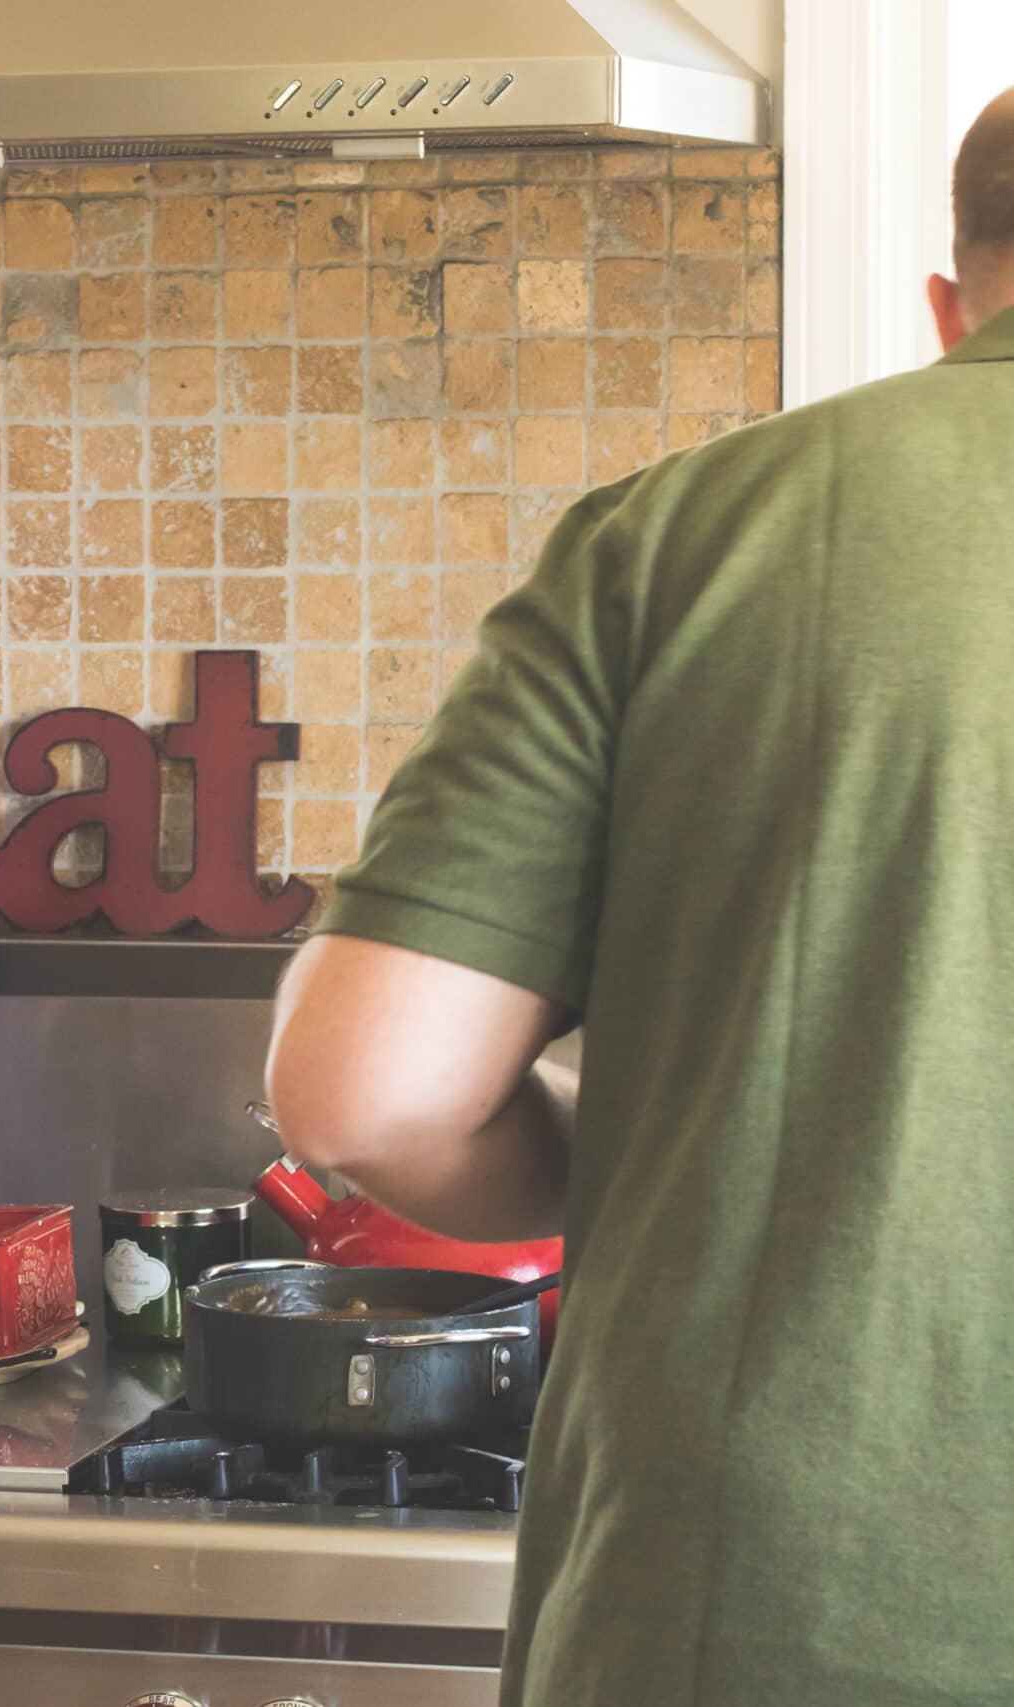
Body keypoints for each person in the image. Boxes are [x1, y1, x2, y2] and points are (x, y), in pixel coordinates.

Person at [264, 97, 1014, 1707]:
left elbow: (371, 1098)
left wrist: (704, 1143)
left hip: (757, 1608)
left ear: (953, 304)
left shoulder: (683, 536)